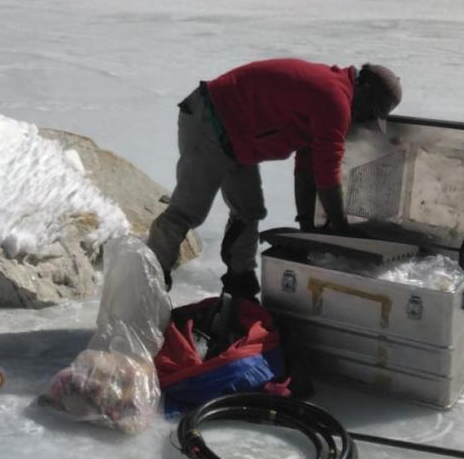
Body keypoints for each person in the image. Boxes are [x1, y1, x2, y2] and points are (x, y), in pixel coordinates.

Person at [146, 59, 402, 298]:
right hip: (211, 120)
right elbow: (327, 172)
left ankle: (240, 282)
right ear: (365, 91)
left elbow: (308, 166)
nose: (366, 119)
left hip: (235, 136)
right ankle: (149, 279)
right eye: (372, 111)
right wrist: (341, 228)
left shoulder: (334, 94)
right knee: (189, 210)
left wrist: (307, 225)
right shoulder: (335, 100)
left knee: (249, 209)